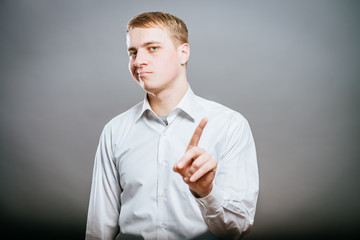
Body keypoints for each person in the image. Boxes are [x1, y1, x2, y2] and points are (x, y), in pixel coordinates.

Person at [85, 11, 259, 240]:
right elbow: (100, 227)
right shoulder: (115, 131)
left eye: (152, 48)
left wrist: (206, 193)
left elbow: (238, 228)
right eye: (132, 52)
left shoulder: (229, 125)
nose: (138, 61)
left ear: (183, 53)